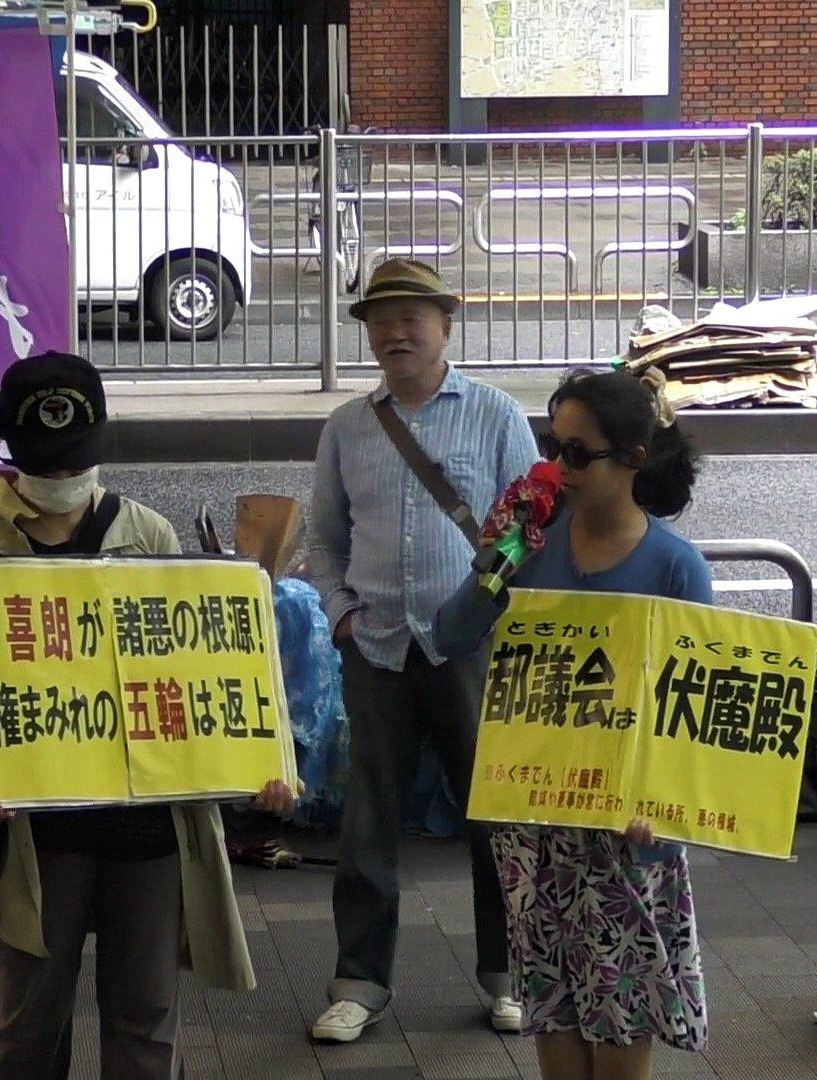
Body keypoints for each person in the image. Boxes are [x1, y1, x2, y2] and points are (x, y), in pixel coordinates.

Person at [0, 350, 293, 1080]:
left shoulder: (146, 534)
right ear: (8, 449)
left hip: (147, 826)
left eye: (73, 460)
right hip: (30, 827)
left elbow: (198, 671)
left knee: (145, 1021)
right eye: (45, 462)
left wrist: (256, 764)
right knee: (29, 1025)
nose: (61, 479)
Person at [432, 367, 712, 1080]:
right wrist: (499, 556)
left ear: (633, 460)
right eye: (554, 448)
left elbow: (692, 706)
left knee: (620, 1019)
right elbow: (452, 632)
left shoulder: (675, 566)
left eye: (579, 454)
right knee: (552, 1007)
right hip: (535, 818)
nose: (560, 469)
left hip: (625, 826)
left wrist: (664, 809)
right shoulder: (532, 548)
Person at [307, 258, 539, 1044]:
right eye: (380, 320)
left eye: (411, 318)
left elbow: (528, 531)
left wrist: (501, 619)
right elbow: (325, 539)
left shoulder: (496, 413)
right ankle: (359, 982)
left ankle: (510, 974)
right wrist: (340, 615)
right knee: (368, 819)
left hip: (471, 648)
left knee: (496, 814)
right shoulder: (347, 426)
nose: (394, 333)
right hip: (375, 645)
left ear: (446, 325)